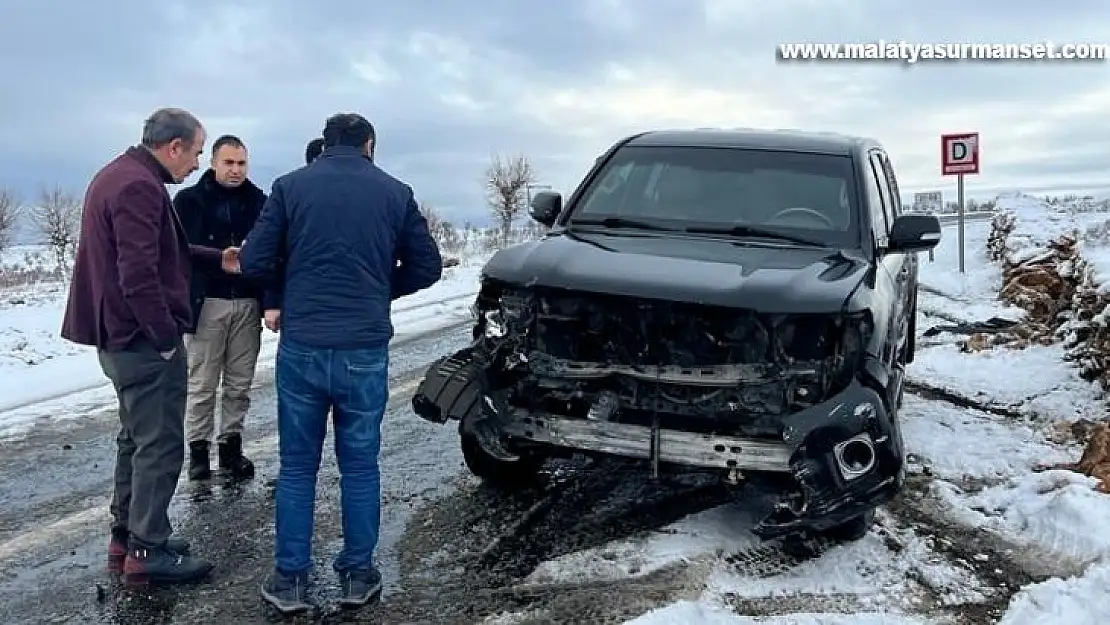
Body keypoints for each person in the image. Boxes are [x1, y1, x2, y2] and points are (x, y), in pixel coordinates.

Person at [239, 112, 442, 613]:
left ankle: (290, 579)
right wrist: (379, 287)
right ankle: (356, 574)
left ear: (325, 145)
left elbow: (253, 261)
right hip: (363, 347)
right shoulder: (395, 192)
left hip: (304, 344)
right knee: (359, 466)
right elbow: (428, 266)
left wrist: (293, 290)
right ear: (369, 145)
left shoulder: (289, 187)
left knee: (297, 468)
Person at [59, 107, 239, 586]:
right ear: (173, 146)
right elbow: (136, 274)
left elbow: (159, 252)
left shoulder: (119, 174)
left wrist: (215, 257)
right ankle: (147, 550)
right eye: (198, 152)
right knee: (158, 443)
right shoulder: (139, 186)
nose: (198, 164)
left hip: (119, 337)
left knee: (134, 439)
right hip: (140, 340)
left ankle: (129, 535)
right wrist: (163, 339)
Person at [174, 134, 279, 481]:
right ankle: (198, 451)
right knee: (201, 383)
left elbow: (271, 255)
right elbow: (176, 255)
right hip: (207, 304)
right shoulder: (189, 202)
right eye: (229, 163)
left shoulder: (260, 203)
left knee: (239, 384)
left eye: (241, 163)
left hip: (246, 302)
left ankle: (231, 447)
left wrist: (269, 301)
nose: (235, 170)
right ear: (214, 163)